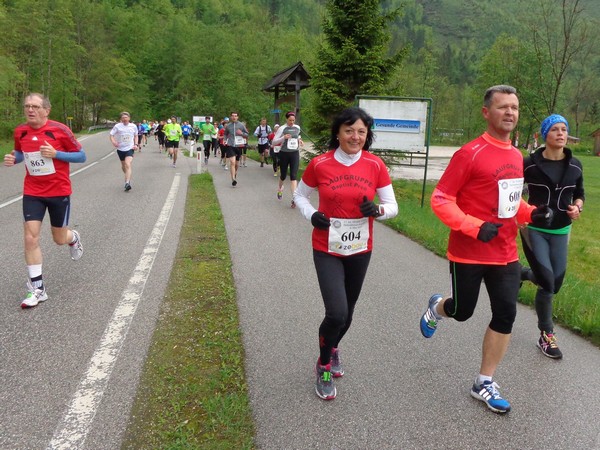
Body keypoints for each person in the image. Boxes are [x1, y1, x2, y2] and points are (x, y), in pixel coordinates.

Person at [419, 85, 552, 414]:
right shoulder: (470, 153)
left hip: (505, 253)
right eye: (503, 107)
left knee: (506, 314)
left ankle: (484, 382)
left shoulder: (515, 156)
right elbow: (441, 200)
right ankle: (438, 307)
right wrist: (474, 226)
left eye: (514, 107)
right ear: (486, 112)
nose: (510, 112)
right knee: (463, 311)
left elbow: (510, 203)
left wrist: (531, 213)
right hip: (468, 252)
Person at [293, 107, 398, 400]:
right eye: (349, 130)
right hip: (326, 247)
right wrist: (312, 215)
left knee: (348, 313)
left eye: (361, 132)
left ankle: (333, 347)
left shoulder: (375, 165)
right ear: (338, 133)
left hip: (360, 248)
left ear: (368, 135)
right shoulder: (320, 164)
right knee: (336, 312)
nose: (355, 137)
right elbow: (300, 195)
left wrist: (377, 210)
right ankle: (324, 365)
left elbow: (392, 206)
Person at [3, 93, 86, 308]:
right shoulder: (20, 131)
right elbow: (21, 153)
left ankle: (73, 237)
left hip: (59, 191)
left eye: (35, 106)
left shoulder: (60, 130)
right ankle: (38, 289)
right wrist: (14, 158)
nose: (30, 110)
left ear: (46, 110)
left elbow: (81, 156)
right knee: (30, 238)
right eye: (27, 106)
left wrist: (57, 154)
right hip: (33, 191)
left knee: (59, 238)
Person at [520, 114, 585, 359]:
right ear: (545, 134)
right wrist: (522, 213)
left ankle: (522, 273)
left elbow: (580, 194)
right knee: (547, 282)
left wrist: (577, 207)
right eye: (555, 129)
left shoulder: (576, 165)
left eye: (564, 129)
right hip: (534, 229)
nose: (561, 133)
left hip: (561, 230)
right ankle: (546, 335)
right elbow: (514, 192)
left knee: (555, 283)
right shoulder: (529, 164)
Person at [272, 112, 302, 207]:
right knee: (283, 176)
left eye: (293, 120)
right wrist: (283, 137)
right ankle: (280, 189)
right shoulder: (282, 128)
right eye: (290, 120)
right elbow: (273, 142)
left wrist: (300, 140)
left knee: (293, 176)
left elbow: (298, 136)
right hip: (284, 153)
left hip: (294, 153)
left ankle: (294, 198)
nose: (292, 122)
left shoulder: (297, 127)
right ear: (286, 119)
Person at [110, 112, 139, 191]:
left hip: (130, 148)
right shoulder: (117, 126)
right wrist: (114, 142)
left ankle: (127, 182)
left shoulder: (133, 126)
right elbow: (111, 135)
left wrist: (136, 144)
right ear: (121, 119)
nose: (125, 119)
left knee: (127, 164)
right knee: (123, 166)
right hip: (120, 149)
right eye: (123, 118)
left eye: (126, 117)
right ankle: (127, 176)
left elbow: (136, 135)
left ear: (129, 118)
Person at [223, 112, 249, 186]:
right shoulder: (228, 126)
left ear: (237, 117)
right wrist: (224, 140)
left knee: (236, 164)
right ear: (231, 117)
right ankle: (233, 179)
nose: (234, 117)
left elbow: (247, 134)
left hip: (239, 146)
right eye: (233, 116)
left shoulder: (241, 125)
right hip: (230, 145)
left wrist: (241, 133)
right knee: (232, 162)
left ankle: (234, 173)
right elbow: (225, 134)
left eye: (235, 116)